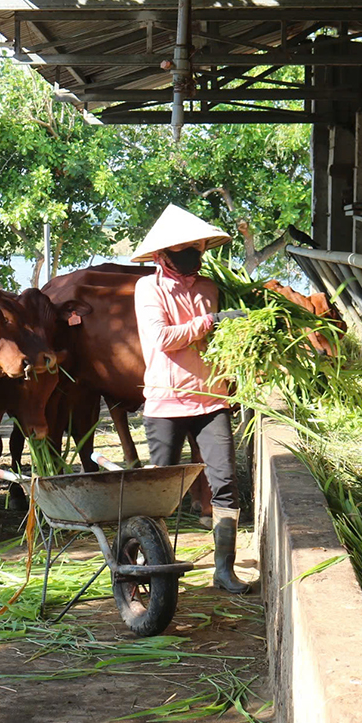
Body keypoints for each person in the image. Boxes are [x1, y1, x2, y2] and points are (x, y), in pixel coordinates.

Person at [132, 204, 255, 595]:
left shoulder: (209, 289)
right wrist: (211, 323)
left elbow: (219, 343)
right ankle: (152, 568)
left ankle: (224, 569)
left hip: (211, 399)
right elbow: (162, 339)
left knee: (225, 482)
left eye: (199, 248)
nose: (194, 255)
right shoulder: (147, 289)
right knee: (159, 489)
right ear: (162, 254)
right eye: (186, 248)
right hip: (166, 402)